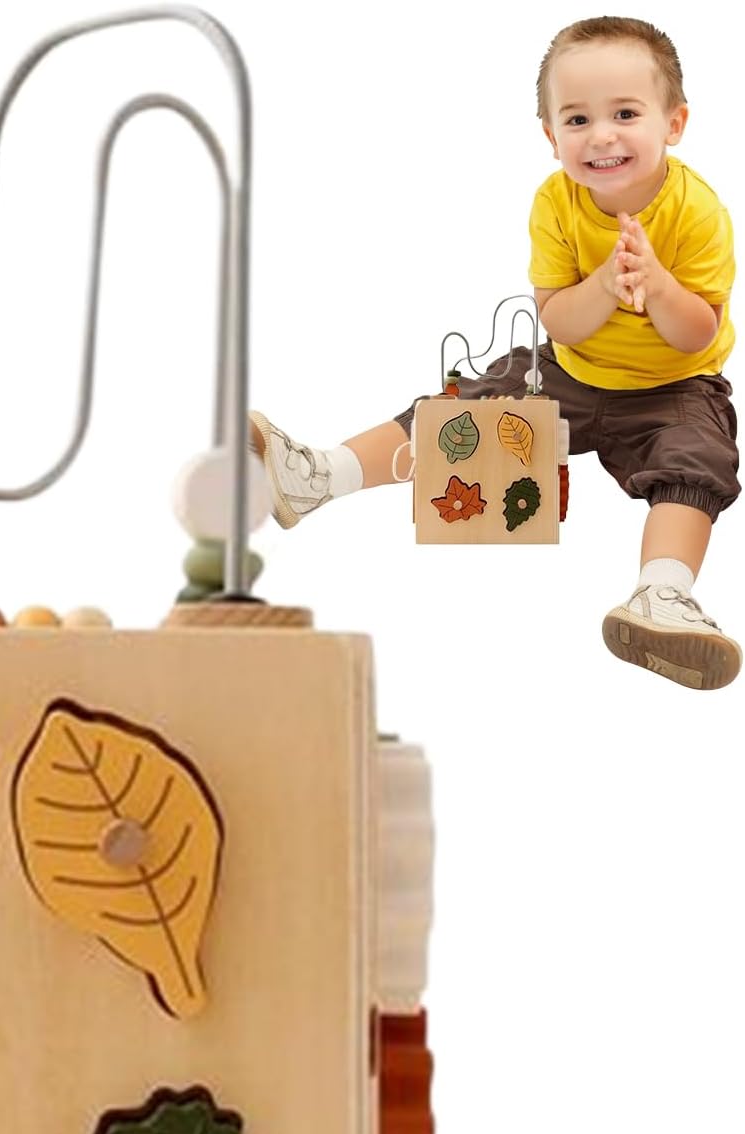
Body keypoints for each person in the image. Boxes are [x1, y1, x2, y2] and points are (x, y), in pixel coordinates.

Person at [249, 16, 739, 691]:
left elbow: (695, 333)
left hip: (673, 386)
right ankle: (320, 475)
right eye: (577, 119)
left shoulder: (697, 212)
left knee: (697, 459)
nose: (600, 135)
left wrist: (657, 286)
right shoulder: (554, 203)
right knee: (466, 407)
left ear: (673, 123)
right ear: (551, 137)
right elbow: (558, 320)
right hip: (570, 370)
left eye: (625, 114)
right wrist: (604, 285)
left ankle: (662, 594)